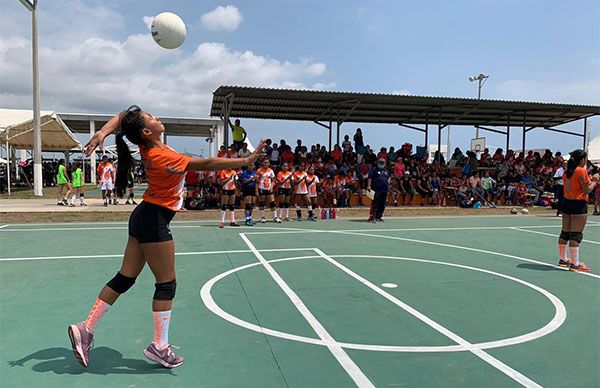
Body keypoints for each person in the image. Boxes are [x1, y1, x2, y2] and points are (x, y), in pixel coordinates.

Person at [68, 105, 265, 369]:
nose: (157, 117)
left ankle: (86, 328)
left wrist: (102, 132)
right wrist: (246, 161)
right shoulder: (162, 157)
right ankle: (159, 347)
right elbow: (206, 163)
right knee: (166, 285)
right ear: (147, 132)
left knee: (125, 278)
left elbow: (123, 116)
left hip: (143, 216)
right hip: (154, 220)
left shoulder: (152, 148)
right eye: (152, 118)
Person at [557, 149, 599, 272]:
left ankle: (563, 259)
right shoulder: (581, 171)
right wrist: (595, 181)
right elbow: (587, 190)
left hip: (567, 203)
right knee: (576, 234)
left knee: (565, 232)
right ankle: (575, 263)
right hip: (578, 204)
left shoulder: (566, 172)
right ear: (582, 160)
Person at [367, 158, 389, 222]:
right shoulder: (374, 170)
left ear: (385, 163)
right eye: (380, 162)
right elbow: (370, 178)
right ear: (378, 162)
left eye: (383, 162)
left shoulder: (386, 171)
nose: (381, 163)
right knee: (375, 204)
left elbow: (387, 179)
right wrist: (369, 185)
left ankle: (378, 217)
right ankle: (372, 217)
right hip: (377, 190)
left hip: (384, 190)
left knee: (383, 204)